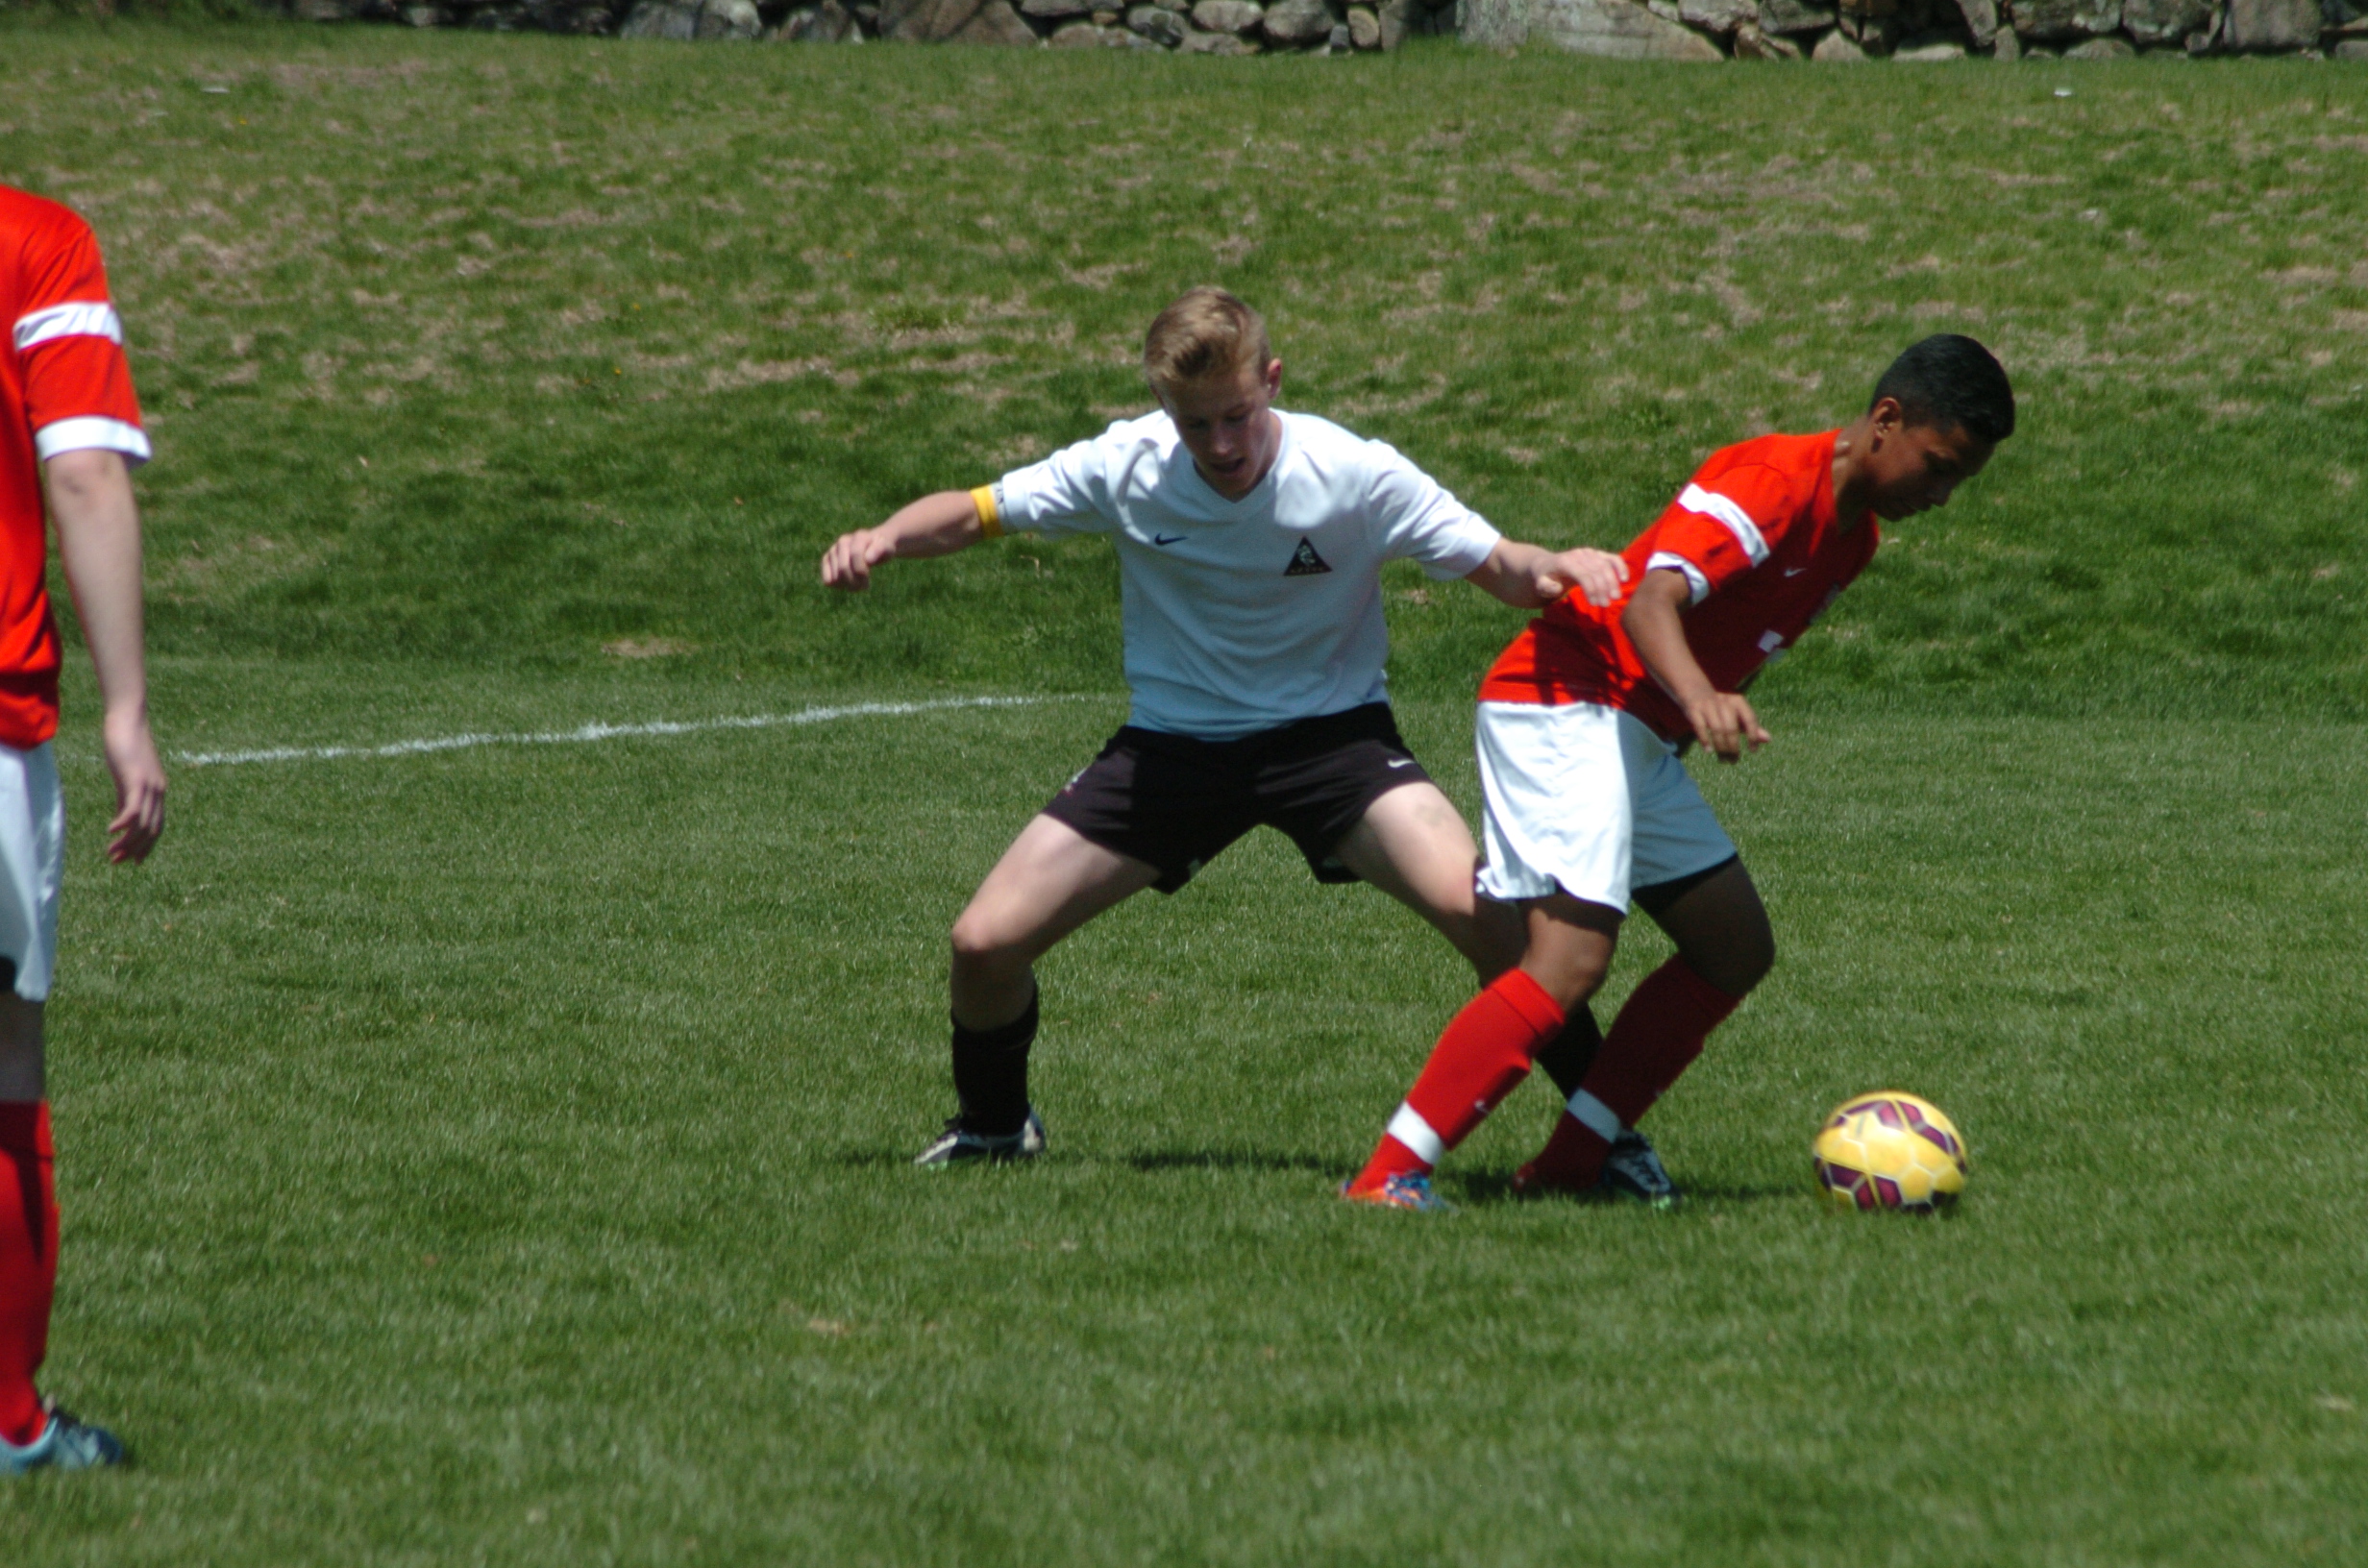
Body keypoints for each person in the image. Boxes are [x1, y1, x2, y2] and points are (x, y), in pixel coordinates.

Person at [820, 286, 1626, 1166]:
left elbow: (1502, 565)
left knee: (1499, 930)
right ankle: (993, 1127)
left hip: (1335, 744)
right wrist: (885, 536)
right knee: (983, 944)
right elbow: (981, 510)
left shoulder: (1354, 473)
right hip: (1174, 749)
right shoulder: (1125, 465)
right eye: (1195, 424)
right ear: (1162, 406)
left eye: (1236, 416)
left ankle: (1608, 1142)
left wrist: (1557, 566)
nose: (1221, 445)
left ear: (1272, 380)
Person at [1342, 334, 2015, 1212]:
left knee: (1734, 947)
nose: (1943, 494)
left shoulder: (1854, 541)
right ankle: (1388, 1176)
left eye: (1960, 480)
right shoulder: (1772, 482)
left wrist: (1695, 710)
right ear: (1886, 420)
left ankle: (1574, 1162)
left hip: (1631, 730)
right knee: (1568, 961)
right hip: (1562, 700)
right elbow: (1650, 598)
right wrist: (1701, 697)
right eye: (1939, 466)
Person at [0, 184, 169, 1472]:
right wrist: (127, 711)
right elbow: (84, 469)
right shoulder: (34, 239)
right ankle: (9, 1422)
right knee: (5, 1066)